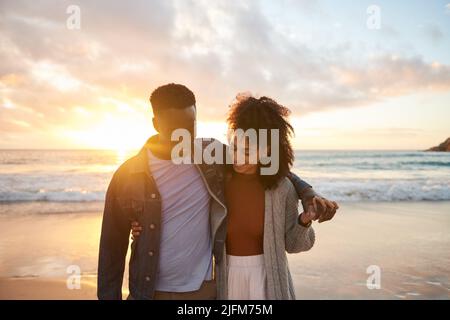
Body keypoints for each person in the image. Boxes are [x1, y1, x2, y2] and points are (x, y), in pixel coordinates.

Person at [98, 83, 338, 300]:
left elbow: (271, 168)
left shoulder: (210, 155)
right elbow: (111, 248)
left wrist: (307, 193)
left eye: (189, 126)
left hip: (203, 290)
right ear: (155, 124)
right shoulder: (128, 175)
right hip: (149, 291)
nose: (184, 136)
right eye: (174, 129)